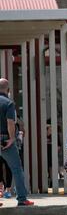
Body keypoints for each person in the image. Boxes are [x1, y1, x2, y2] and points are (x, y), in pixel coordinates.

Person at [0, 78, 34, 207]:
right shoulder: (8, 103)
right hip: (5, 140)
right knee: (17, 170)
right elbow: (10, 123)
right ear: (8, 90)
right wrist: (12, 138)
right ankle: (22, 199)